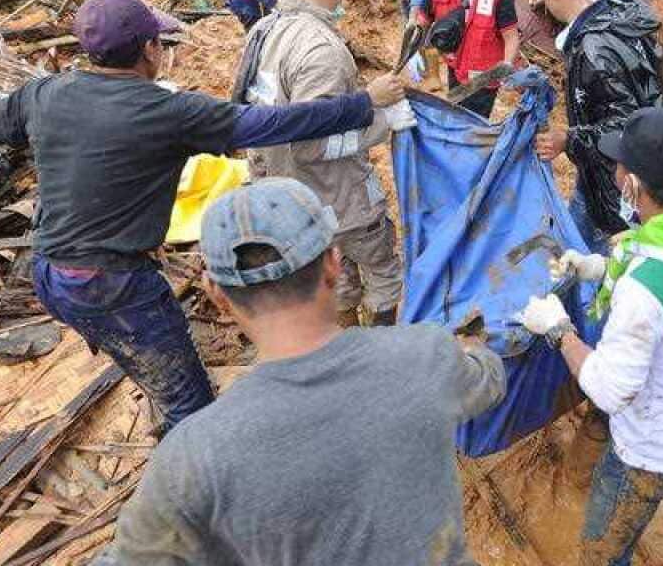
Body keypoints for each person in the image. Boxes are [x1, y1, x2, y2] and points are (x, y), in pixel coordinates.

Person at [0, 0, 407, 431]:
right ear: (151, 50)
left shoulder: (44, 94)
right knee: (190, 404)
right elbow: (273, 124)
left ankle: (159, 395)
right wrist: (365, 103)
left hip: (50, 274)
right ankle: (199, 476)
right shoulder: (167, 111)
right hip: (113, 284)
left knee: (145, 362)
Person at [92, 178, 505, 565]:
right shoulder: (426, 355)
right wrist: (472, 348)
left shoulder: (194, 455)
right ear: (334, 265)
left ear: (217, 295)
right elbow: (489, 379)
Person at [521, 107, 663, 566]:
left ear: (633, 183)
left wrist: (558, 329)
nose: (613, 172)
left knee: (602, 548)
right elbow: (651, 269)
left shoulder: (643, 294)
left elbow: (610, 389)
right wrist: (596, 267)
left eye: (619, 165)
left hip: (649, 450)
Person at [236, 0, 413, 327]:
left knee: (334, 275)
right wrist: (383, 121)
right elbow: (312, 146)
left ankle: (346, 339)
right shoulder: (321, 51)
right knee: (381, 273)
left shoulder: (265, 30)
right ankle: (378, 351)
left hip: (287, 194)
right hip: (336, 196)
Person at [533, 0, 663, 255]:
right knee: (571, 245)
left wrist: (569, 138)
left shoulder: (595, 48)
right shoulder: (620, 14)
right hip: (602, 173)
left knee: (605, 265)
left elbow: (625, 126)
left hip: (616, 184)